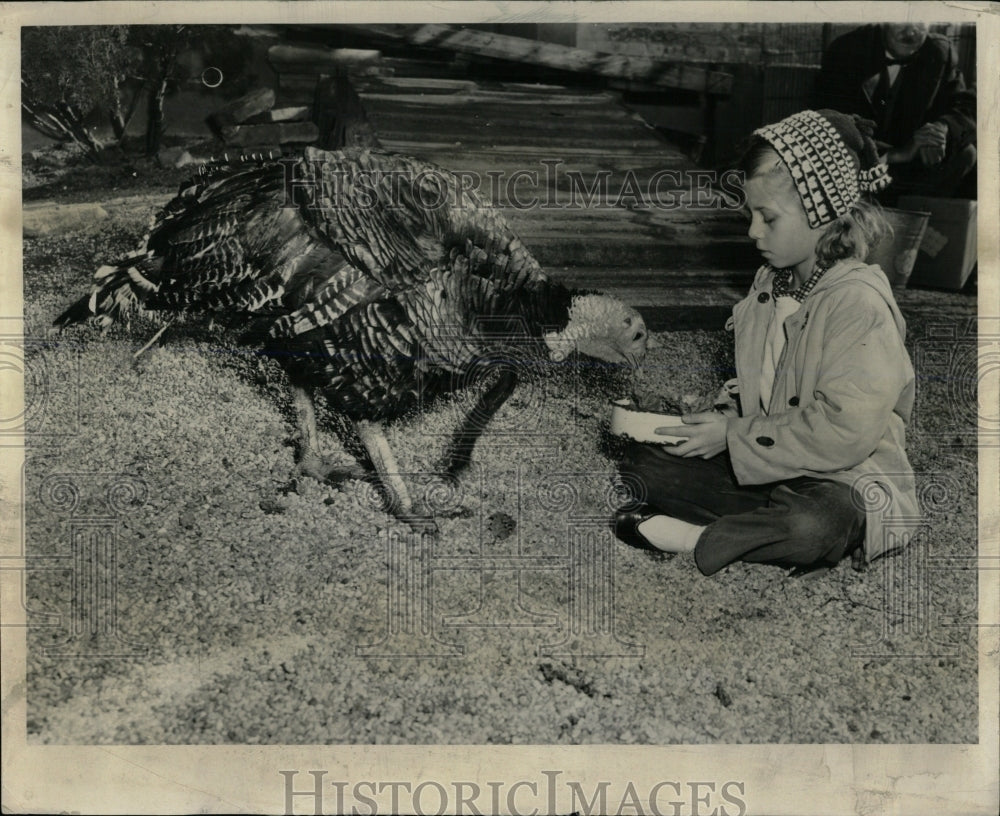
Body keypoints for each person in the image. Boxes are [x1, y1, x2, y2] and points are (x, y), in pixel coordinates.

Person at [613, 109, 920, 575]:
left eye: (768, 218)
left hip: (844, 478)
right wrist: (721, 419)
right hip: (773, 463)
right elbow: (761, 386)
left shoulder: (859, 304)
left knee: (815, 521)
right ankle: (761, 534)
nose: (753, 231)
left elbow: (845, 433)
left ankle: (700, 538)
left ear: (823, 215)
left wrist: (734, 438)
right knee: (648, 465)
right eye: (750, 215)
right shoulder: (768, 285)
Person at [814, 23, 976, 201]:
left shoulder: (939, 52)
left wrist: (941, 130)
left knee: (966, 153)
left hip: (908, 170)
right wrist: (897, 154)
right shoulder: (846, 51)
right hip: (858, 167)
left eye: (919, 22)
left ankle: (919, 219)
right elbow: (834, 126)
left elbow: (964, 107)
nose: (910, 31)